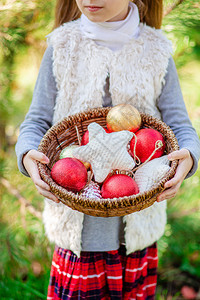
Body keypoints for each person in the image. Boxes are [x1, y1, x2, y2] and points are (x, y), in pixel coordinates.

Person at [15, 0, 200, 299]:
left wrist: (189, 156)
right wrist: (27, 155)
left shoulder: (155, 51)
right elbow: (36, 120)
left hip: (137, 229)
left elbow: (179, 124)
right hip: (77, 230)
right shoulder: (63, 46)